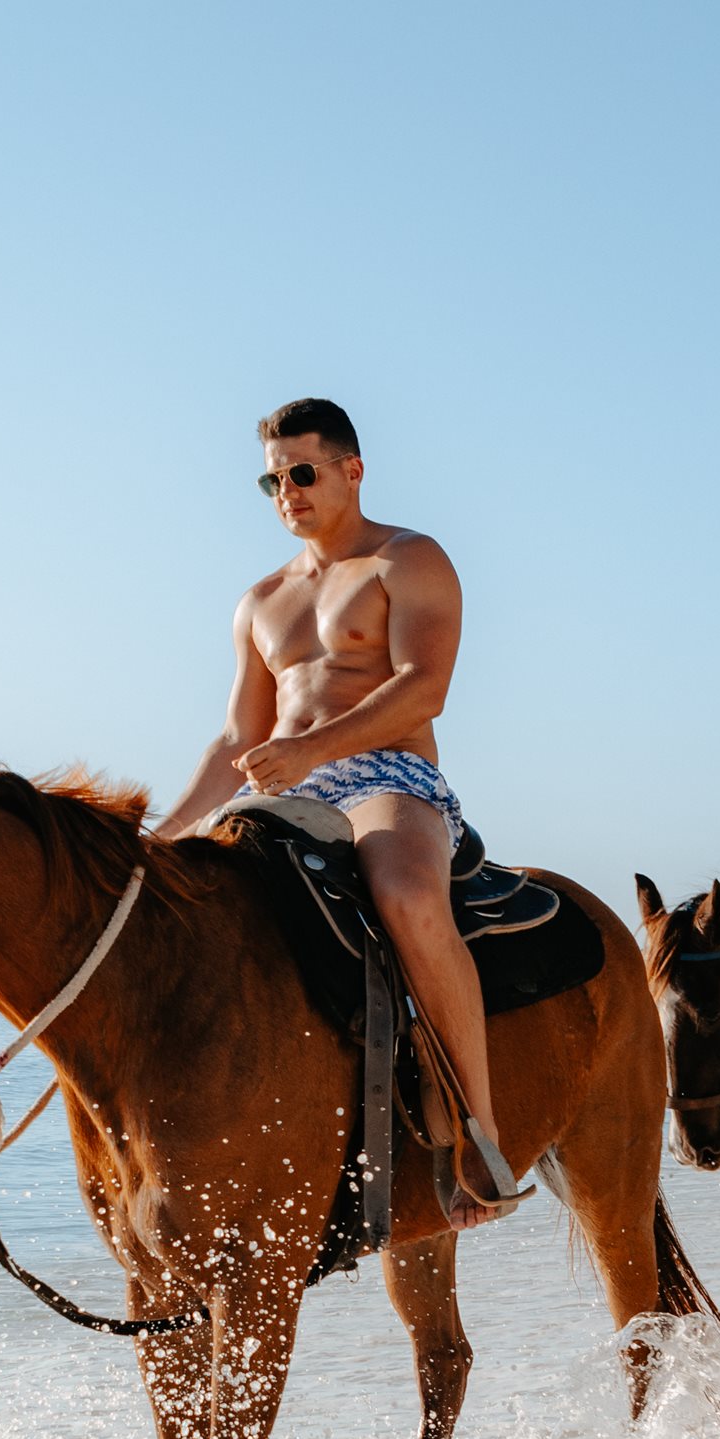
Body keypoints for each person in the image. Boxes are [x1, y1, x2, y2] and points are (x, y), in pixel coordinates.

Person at [148, 397, 527, 1211]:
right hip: (279, 787)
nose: (288, 491)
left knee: (408, 893)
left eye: (304, 472)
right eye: (273, 479)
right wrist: (164, 834)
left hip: (388, 777)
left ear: (352, 471)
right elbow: (235, 739)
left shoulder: (407, 559)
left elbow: (424, 688)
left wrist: (310, 751)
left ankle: (480, 1132)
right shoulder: (259, 600)